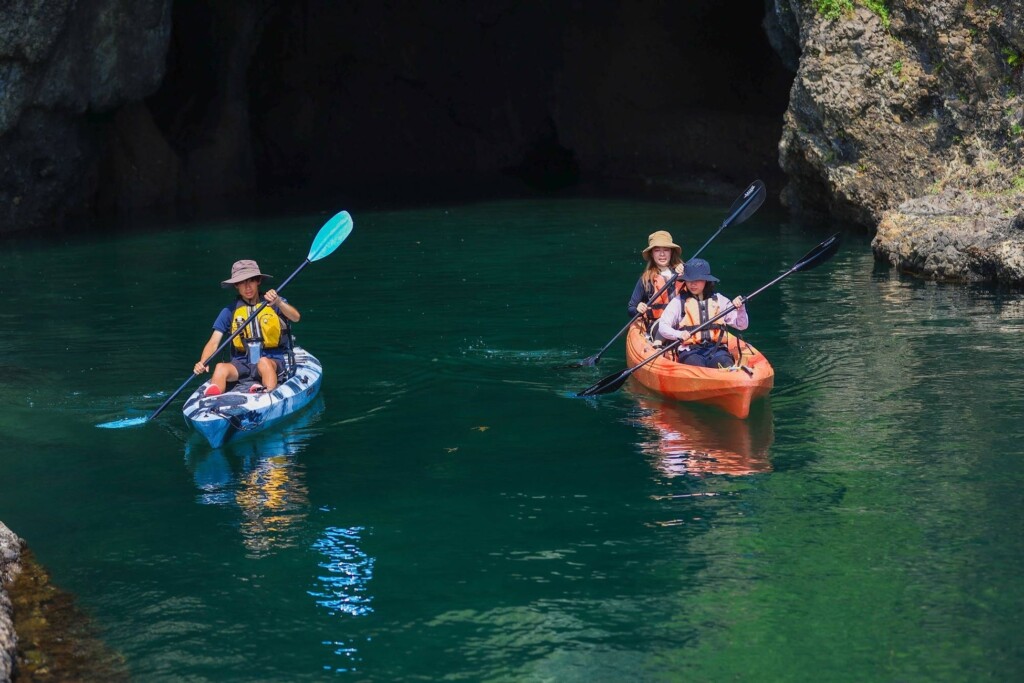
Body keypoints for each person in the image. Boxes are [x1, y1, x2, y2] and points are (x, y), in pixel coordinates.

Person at [193, 259, 301, 396]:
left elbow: (296, 317)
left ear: (258, 281)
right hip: (242, 363)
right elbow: (214, 342)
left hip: (271, 360)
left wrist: (279, 302)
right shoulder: (229, 311)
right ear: (236, 286)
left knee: (263, 363)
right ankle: (212, 400)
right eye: (242, 283)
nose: (247, 287)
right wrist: (203, 362)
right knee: (220, 368)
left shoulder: (273, 303)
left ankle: (266, 393)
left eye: (250, 281)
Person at [657, 258, 747, 368]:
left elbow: (742, 325)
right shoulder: (678, 302)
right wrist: (679, 334)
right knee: (697, 366)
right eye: (689, 280)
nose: (692, 284)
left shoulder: (719, 300)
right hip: (690, 351)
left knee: (726, 364)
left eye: (697, 280)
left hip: (717, 349)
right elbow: (662, 326)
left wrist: (741, 308)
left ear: (706, 281)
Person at [627, 230, 686, 322]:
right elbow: (631, 309)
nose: (662, 254)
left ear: (671, 252)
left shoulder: (684, 272)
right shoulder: (646, 280)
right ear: (652, 254)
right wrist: (638, 309)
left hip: (683, 323)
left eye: (666, 250)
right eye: (657, 250)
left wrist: (686, 271)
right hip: (658, 325)